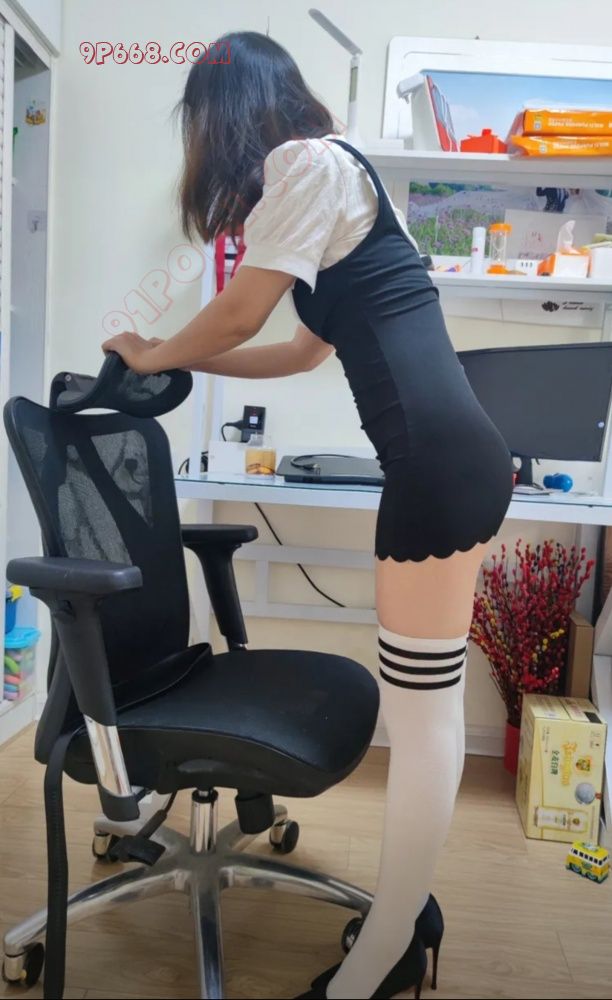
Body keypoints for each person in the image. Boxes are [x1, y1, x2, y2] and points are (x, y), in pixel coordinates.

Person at [103, 31, 514, 1000]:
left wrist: (153, 352)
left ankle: (384, 955)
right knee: (425, 710)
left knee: (423, 720)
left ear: (228, 114)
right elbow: (295, 352)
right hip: (444, 462)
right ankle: (406, 915)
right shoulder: (334, 180)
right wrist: (177, 359)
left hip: (436, 470)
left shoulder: (305, 164)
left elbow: (241, 313)